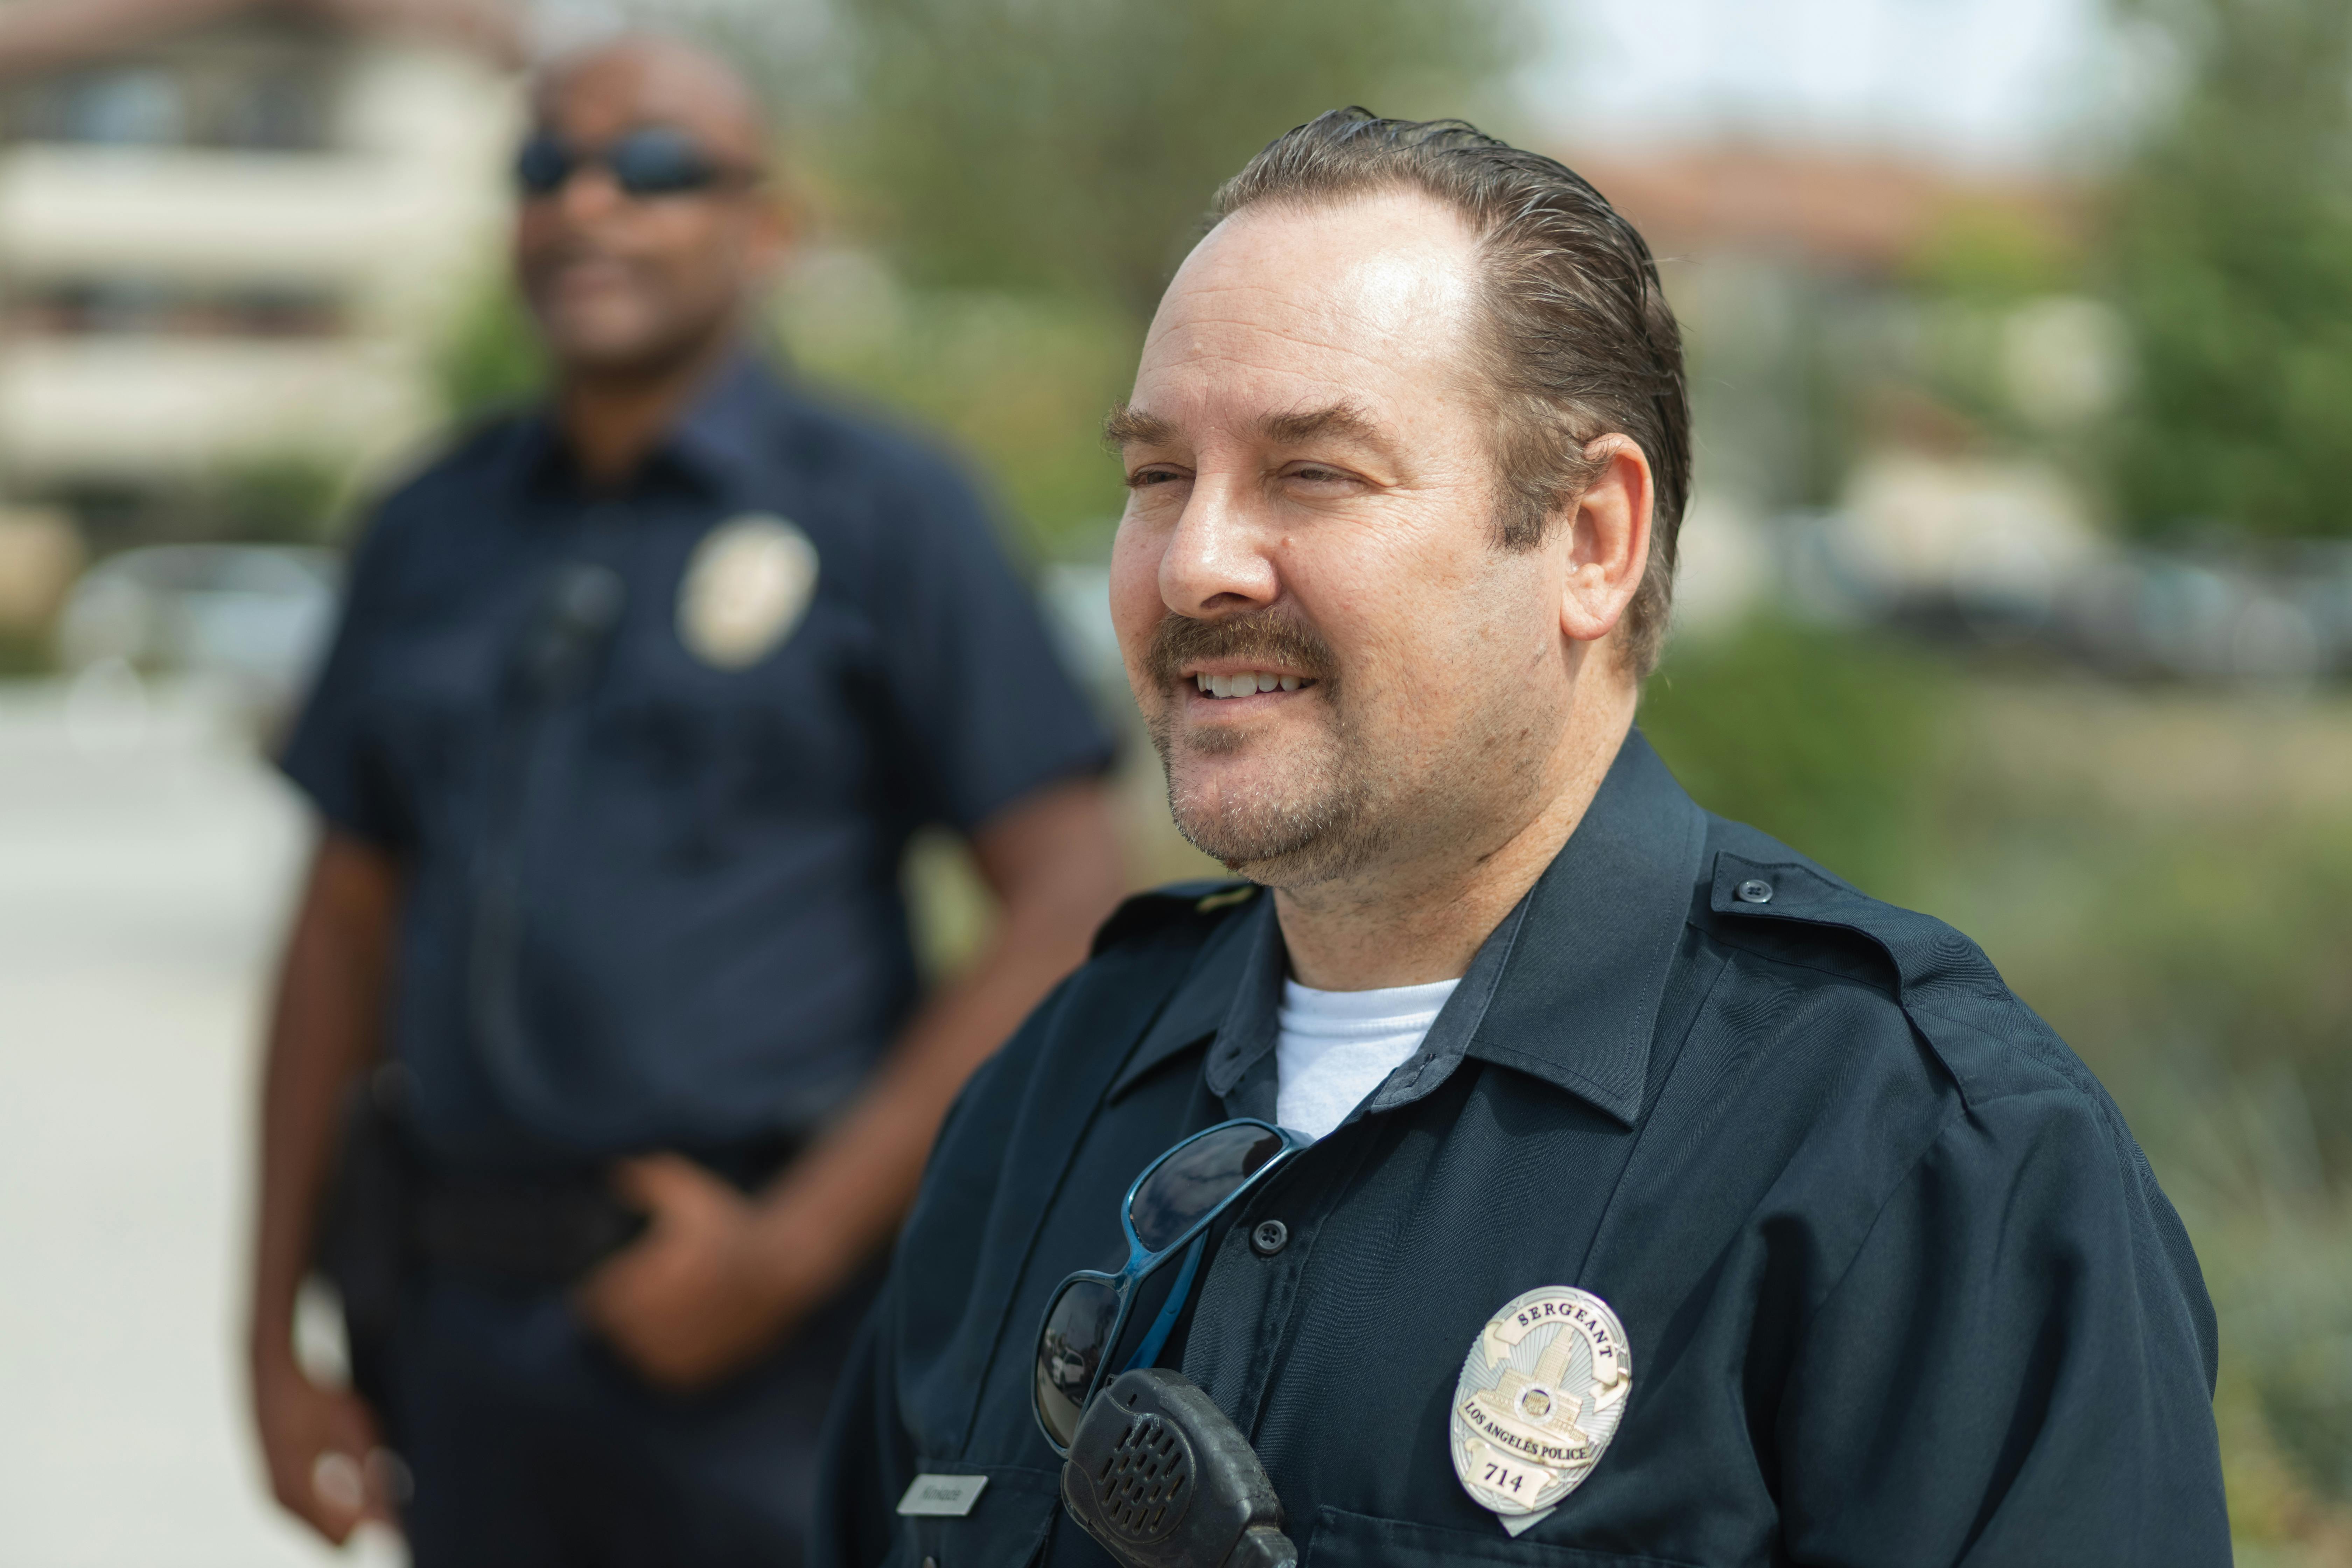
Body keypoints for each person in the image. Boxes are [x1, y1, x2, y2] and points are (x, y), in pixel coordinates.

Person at [813, 110, 2230, 1568]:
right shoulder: (1052, 1097)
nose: (1195, 559)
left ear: (1592, 539)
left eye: (1314, 472)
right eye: (1157, 475)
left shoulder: (1923, 1161)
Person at [245, 34, 1125, 1568]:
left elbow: (1070, 892)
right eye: (545, 168)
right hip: (459, 1346)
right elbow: (340, 928)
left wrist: (786, 1253)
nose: (588, 204)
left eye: (651, 167)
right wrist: (269, 1334)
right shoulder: (426, 524)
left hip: (773, 1352)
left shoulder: (888, 510)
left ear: (764, 228)